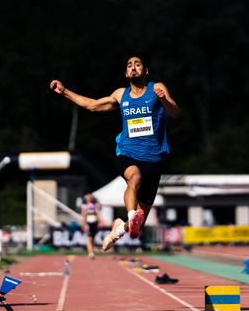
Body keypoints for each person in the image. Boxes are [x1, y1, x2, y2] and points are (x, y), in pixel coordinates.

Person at [50, 52, 181, 251]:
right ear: (126, 73)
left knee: (140, 223)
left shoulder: (157, 88)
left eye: (138, 64)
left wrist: (164, 101)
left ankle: (120, 228)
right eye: (130, 65)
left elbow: (176, 113)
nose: (133, 67)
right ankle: (130, 215)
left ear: (145, 71)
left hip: (153, 159)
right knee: (134, 178)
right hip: (127, 152)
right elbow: (92, 105)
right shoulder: (121, 95)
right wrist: (65, 91)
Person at [81, 193, 102, 259]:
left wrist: (99, 222)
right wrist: (83, 224)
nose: (89, 198)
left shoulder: (95, 205)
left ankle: (91, 251)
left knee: (92, 238)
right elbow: (83, 215)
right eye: (88, 197)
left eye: (90, 197)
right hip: (88, 223)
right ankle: (90, 253)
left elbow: (98, 214)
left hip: (94, 223)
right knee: (89, 238)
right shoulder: (84, 206)